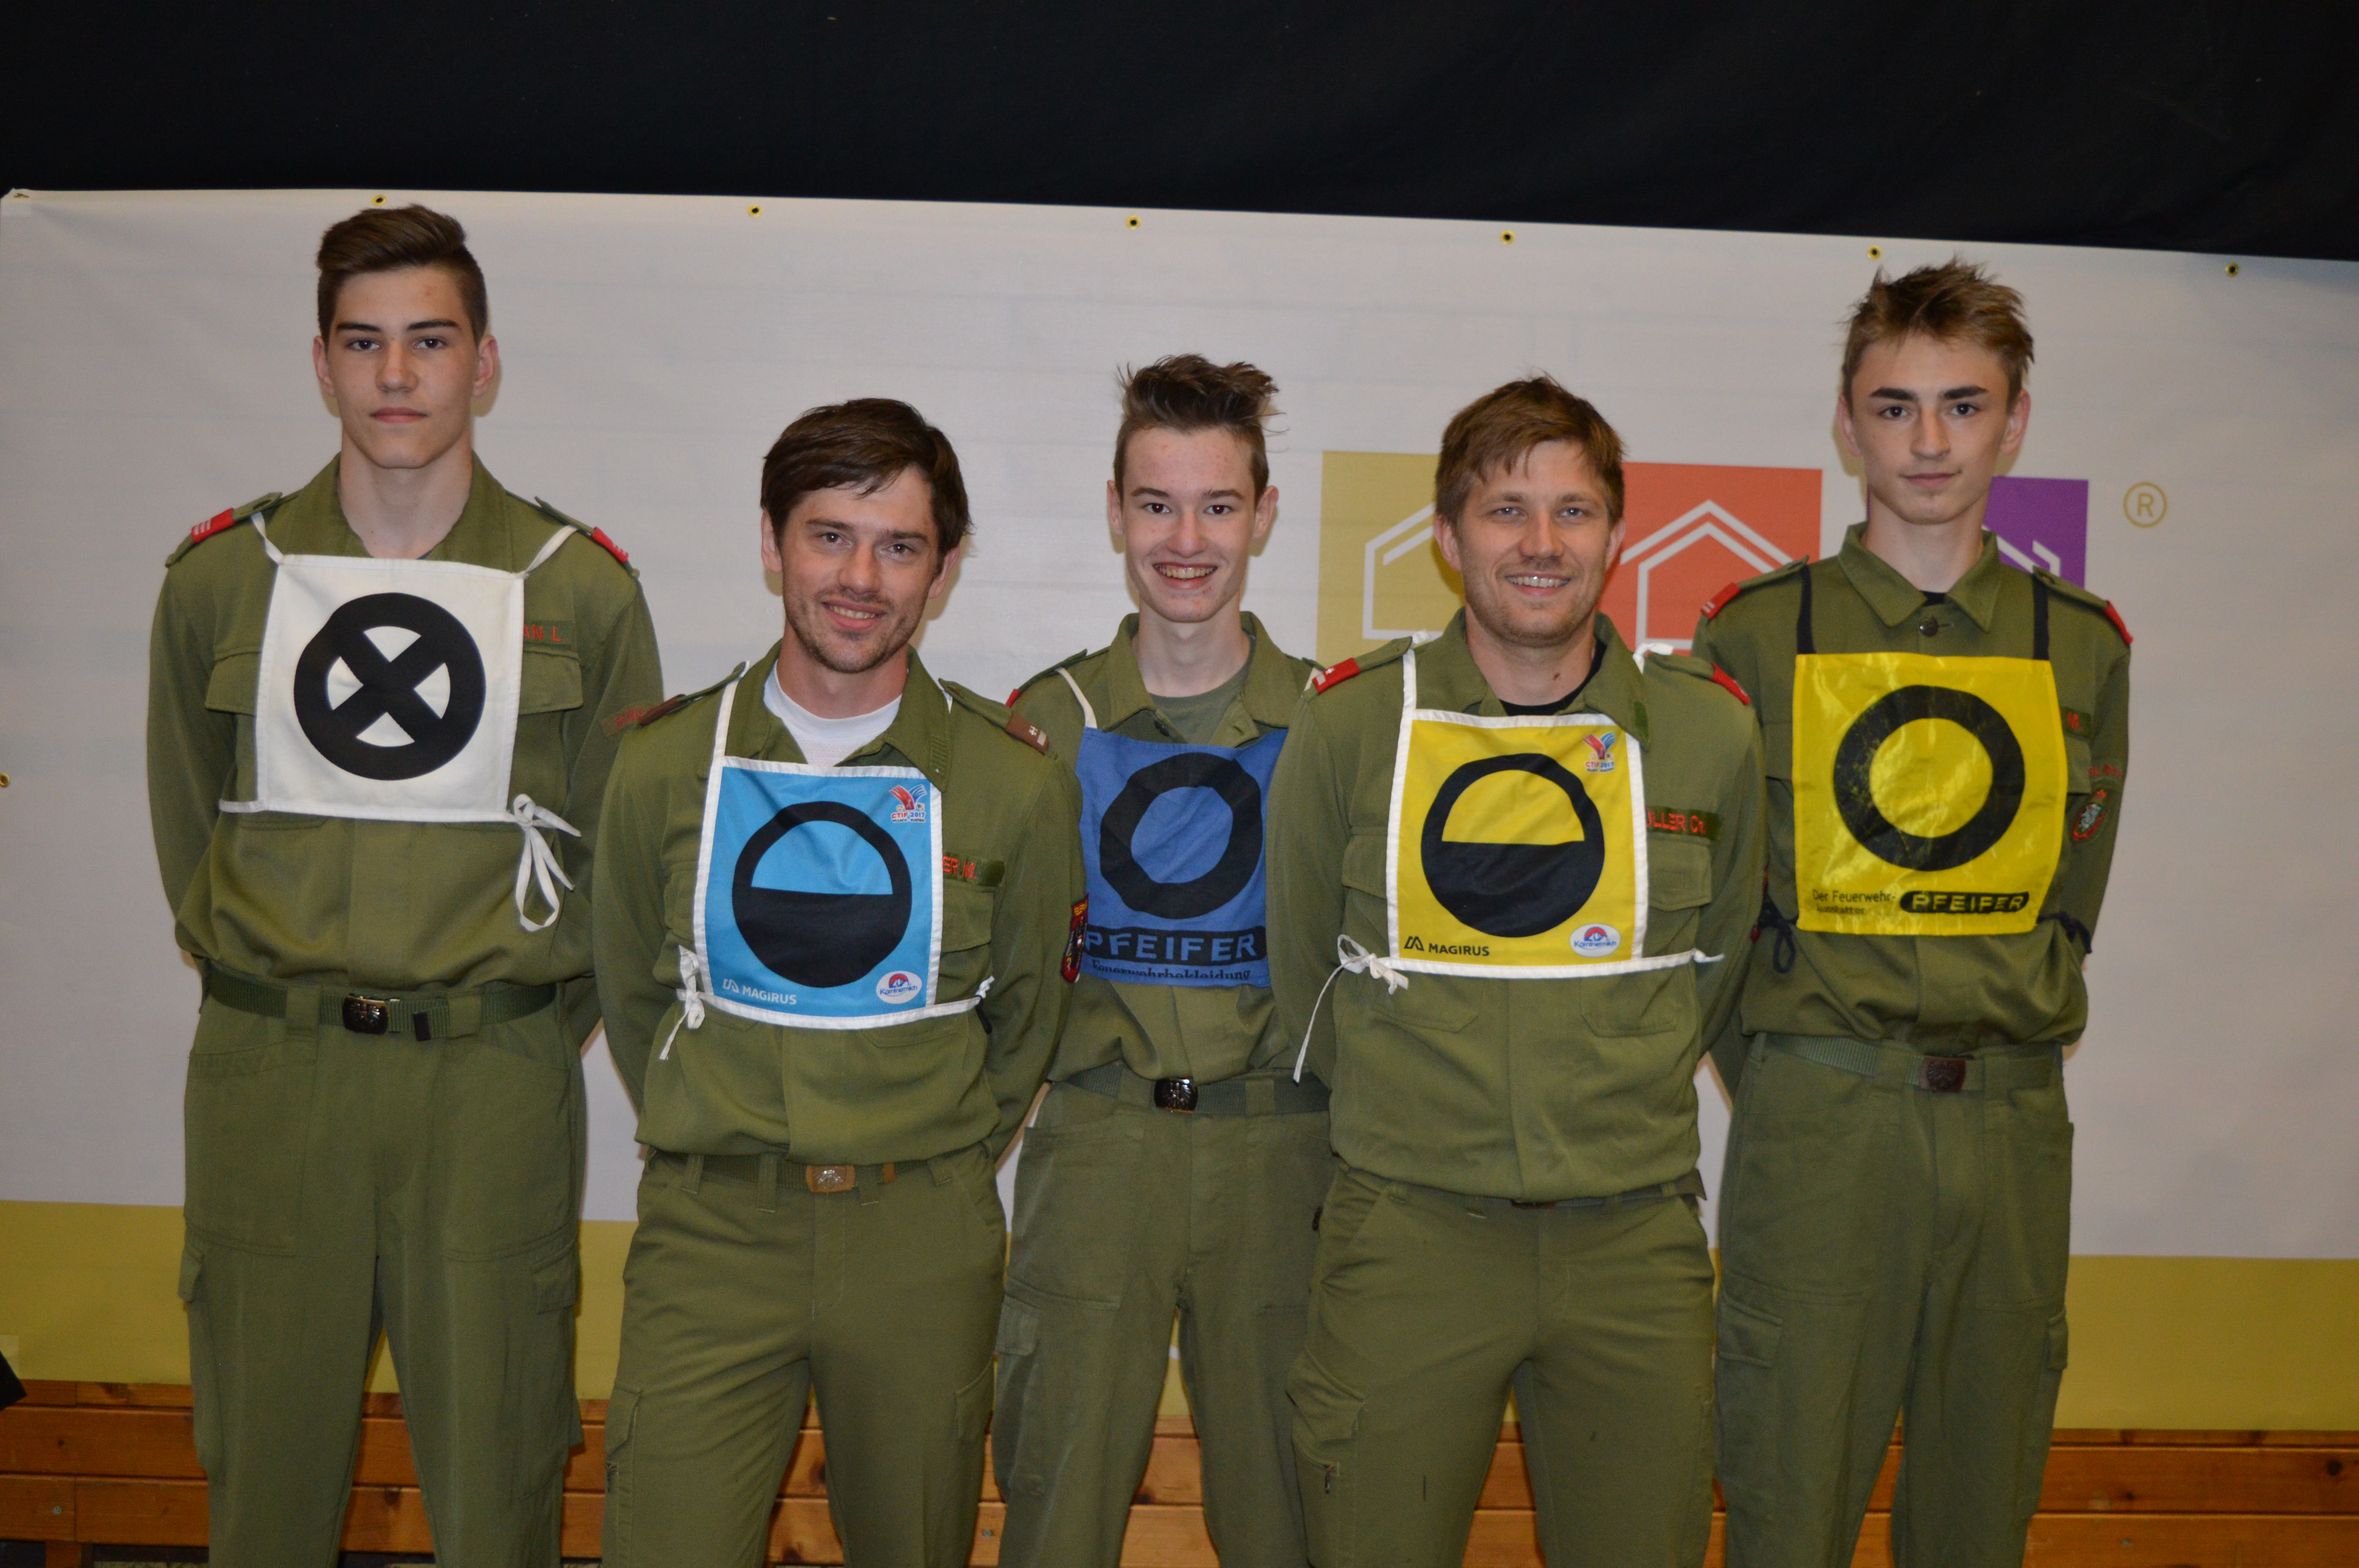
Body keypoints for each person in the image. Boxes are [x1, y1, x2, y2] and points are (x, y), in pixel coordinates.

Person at [145, 203, 662, 1566]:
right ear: (320, 364)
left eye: (429, 342)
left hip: (489, 1085)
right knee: (264, 1483)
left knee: (499, 1479)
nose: (395, 375)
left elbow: (619, 873)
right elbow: (191, 831)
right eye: (363, 342)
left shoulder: (583, 593)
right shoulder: (222, 581)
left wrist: (515, 1028)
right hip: (274, 1080)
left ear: (483, 364)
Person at [1267, 376, 1765, 1567]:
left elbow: (1714, 975)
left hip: (1632, 1240)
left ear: (1617, 533)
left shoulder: (1709, 732)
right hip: (1409, 1235)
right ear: (1448, 539)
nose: (1542, 543)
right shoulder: (1351, 727)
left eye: (1573, 511)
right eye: (1506, 510)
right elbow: (1307, 978)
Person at [593, 398, 1084, 1566]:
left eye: (900, 546)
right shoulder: (662, 764)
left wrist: (933, 1154)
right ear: (772, 544)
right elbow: (632, 995)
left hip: (919, 1237)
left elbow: (1028, 1018)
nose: (861, 579)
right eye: (829, 537)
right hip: (713, 1234)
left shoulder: (1013, 784)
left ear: (943, 571)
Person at [1694, 260, 2131, 1568]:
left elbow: (2072, 903)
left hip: (2010, 1127)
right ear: (1847, 425)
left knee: (1981, 1503)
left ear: (2016, 423)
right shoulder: (1756, 638)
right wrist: (1804, 1073)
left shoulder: (2082, 645)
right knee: (1789, 1491)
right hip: (1823, 1122)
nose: (1929, 441)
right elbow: (1717, 920)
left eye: (1963, 405)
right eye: (1895, 408)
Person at [993, 356, 1329, 1567]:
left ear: (1265, 514)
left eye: (1218, 506)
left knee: (1292, 1513)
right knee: (1057, 1505)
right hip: (1099, 1146)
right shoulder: (1043, 722)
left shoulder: (1334, 722)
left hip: (1280, 1152)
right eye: (1157, 505)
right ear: (1114, 511)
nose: (1186, 542)